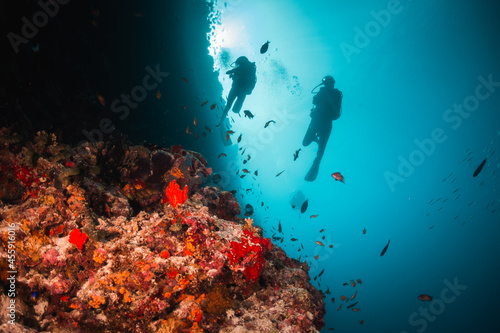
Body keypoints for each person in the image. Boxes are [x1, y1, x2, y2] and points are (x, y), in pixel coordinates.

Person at [302, 75, 343, 182]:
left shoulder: (336, 94)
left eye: (329, 83)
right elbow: (315, 102)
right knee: (305, 143)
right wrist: (323, 94)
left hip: (327, 123)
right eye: (326, 83)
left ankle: (316, 164)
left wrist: (328, 97)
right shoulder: (322, 91)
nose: (327, 85)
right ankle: (315, 139)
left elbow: (337, 114)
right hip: (316, 120)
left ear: (332, 84)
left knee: (320, 152)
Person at [217, 56, 257, 127]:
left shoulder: (241, 68)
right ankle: (222, 120)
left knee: (228, 106)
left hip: (236, 89)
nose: (238, 65)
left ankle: (221, 120)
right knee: (234, 109)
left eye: (238, 63)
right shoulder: (250, 69)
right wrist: (234, 75)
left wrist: (234, 73)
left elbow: (228, 72)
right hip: (242, 92)